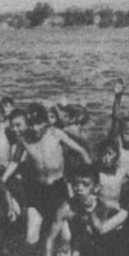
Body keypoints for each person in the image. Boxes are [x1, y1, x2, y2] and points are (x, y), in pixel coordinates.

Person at [43, 164, 128, 256]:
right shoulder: (66, 207)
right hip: (75, 249)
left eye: (85, 184)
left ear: (95, 187)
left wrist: (90, 211)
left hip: (97, 252)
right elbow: (51, 236)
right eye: (76, 184)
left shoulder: (103, 206)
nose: (79, 188)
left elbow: (100, 230)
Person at [17, 103, 91, 245]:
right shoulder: (25, 139)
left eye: (39, 124)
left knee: (66, 236)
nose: (36, 128)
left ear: (46, 122)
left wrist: (92, 176)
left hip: (57, 189)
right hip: (36, 190)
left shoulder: (55, 133)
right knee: (30, 238)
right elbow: (15, 162)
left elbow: (81, 151)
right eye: (31, 124)